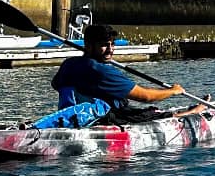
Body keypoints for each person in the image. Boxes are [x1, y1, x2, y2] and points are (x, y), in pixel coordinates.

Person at [50, 23, 186, 120]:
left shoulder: (69, 64)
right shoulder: (103, 72)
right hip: (103, 120)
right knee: (151, 113)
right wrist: (173, 91)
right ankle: (185, 114)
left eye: (112, 44)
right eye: (104, 45)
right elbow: (146, 97)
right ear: (89, 46)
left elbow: (55, 84)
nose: (110, 49)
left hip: (69, 118)